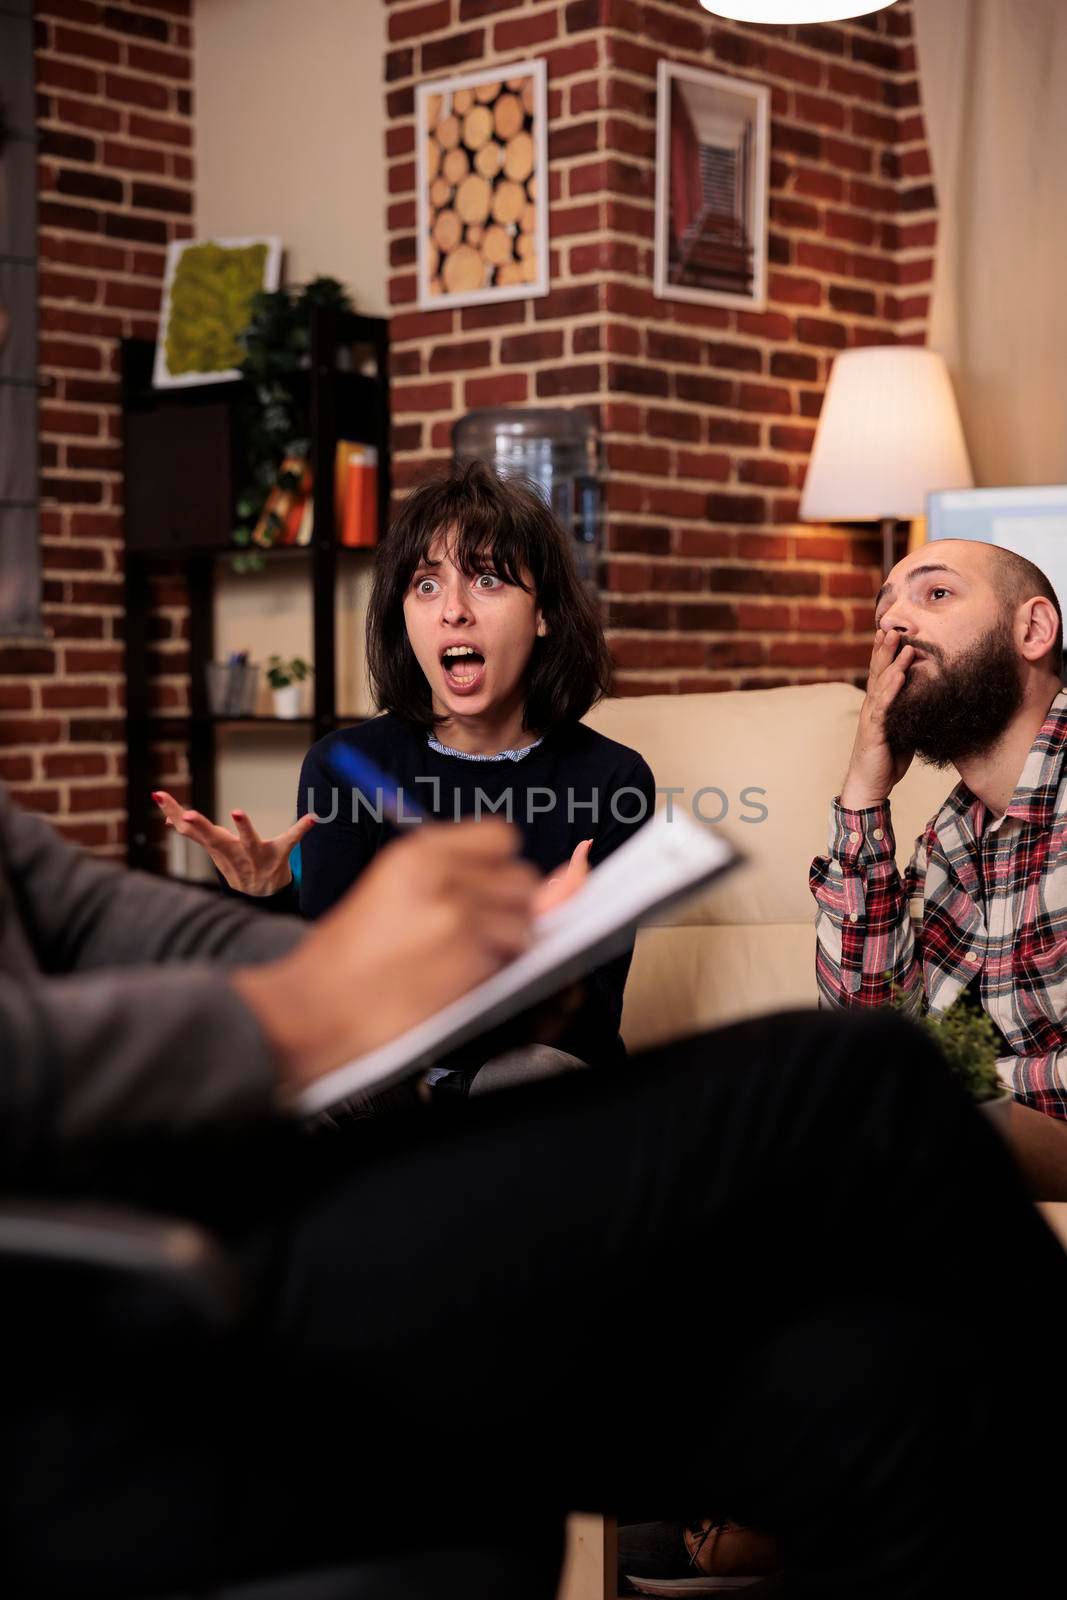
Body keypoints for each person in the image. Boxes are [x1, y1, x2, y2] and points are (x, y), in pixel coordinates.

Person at [3, 778, 1067, 1600]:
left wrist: (440, 973)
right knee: (853, 1077)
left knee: (874, 1382)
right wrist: (295, 1005)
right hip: (85, 1291)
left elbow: (106, 921)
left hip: (222, 1199)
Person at [154, 463, 656, 1077]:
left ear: (543, 614)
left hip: (528, 1083)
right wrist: (270, 899)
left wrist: (550, 942)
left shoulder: (614, 779)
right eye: (426, 585)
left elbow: (588, 1023)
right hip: (383, 1079)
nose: (453, 611)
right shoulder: (346, 767)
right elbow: (332, 994)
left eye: (488, 581)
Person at [811, 537, 1067, 1118]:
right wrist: (864, 794)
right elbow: (862, 1032)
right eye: (885, 610)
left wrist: (938, 1087)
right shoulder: (949, 842)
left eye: (938, 593)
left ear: (1033, 630)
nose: (892, 623)